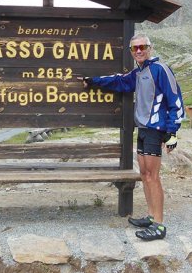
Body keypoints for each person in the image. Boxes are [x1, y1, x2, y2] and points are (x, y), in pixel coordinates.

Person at [78, 33, 184, 241]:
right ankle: (151, 216)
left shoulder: (160, 69)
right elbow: (119, 82)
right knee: (144, 174)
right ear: (131, 51)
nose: (139, 51)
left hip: (156, 129)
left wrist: (172, 132)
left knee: (153, 176)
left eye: (142, 47)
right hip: (143, 129)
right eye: (134, 48)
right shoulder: (139, 72)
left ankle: (159, 225)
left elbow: (175, 99)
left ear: (149, 48)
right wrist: (92, 82)